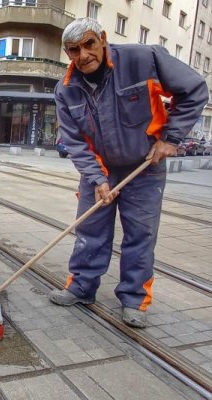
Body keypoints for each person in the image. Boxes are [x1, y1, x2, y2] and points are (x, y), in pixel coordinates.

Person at [49, 18, 207, 328]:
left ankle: (134, 299)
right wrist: (97, 179)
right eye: (73, 50)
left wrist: (169, 139)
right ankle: (82, 286)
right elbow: (74, 141)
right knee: (90, 229)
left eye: (89, 44)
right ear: (68, 54)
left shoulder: (142, 59)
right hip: (100, 170)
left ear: (103, 40)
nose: (83, 55)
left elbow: (194, 90)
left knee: (140, 235)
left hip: (145, 167)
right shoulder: (66, 90)